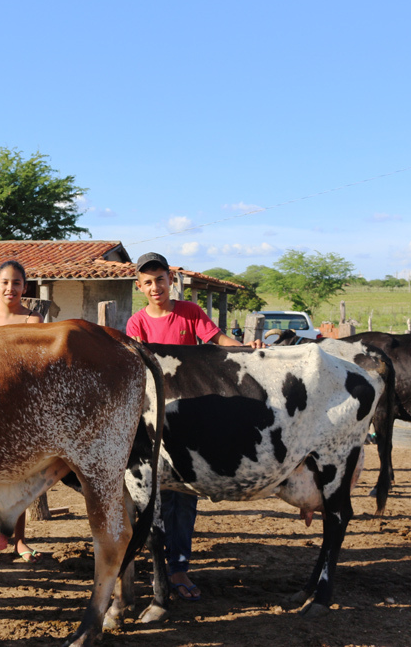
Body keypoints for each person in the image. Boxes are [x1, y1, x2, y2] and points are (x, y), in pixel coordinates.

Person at [125, 252, 262, 602]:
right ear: (140, 288)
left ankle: (179, 567)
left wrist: (251, 350)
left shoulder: (190, 313)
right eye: (148, 282)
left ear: (171, 280)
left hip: (191, 414)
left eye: (160, 279)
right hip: (155, 417)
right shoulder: (136, 324)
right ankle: (159, 567)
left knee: (185, 494)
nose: (155, 287)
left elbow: (218, 342)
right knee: (157, 496)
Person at [0, 260, 44, 564]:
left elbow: (36, 367)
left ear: (24, 287)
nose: (10, 288)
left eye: (16, 283)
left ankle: (19, 541)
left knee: (21, 477)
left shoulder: (34, 322)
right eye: (4, 282)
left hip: (21, 411)